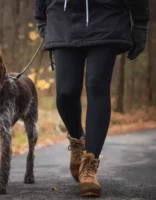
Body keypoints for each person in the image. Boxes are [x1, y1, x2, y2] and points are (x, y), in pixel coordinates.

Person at [33, 0, 150, 197]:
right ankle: (78, 140)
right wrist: (40, 16)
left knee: (97, 86)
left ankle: (90, 163)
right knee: (65, 92)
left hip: (107, 16)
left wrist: (141, 23)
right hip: (63, 18)